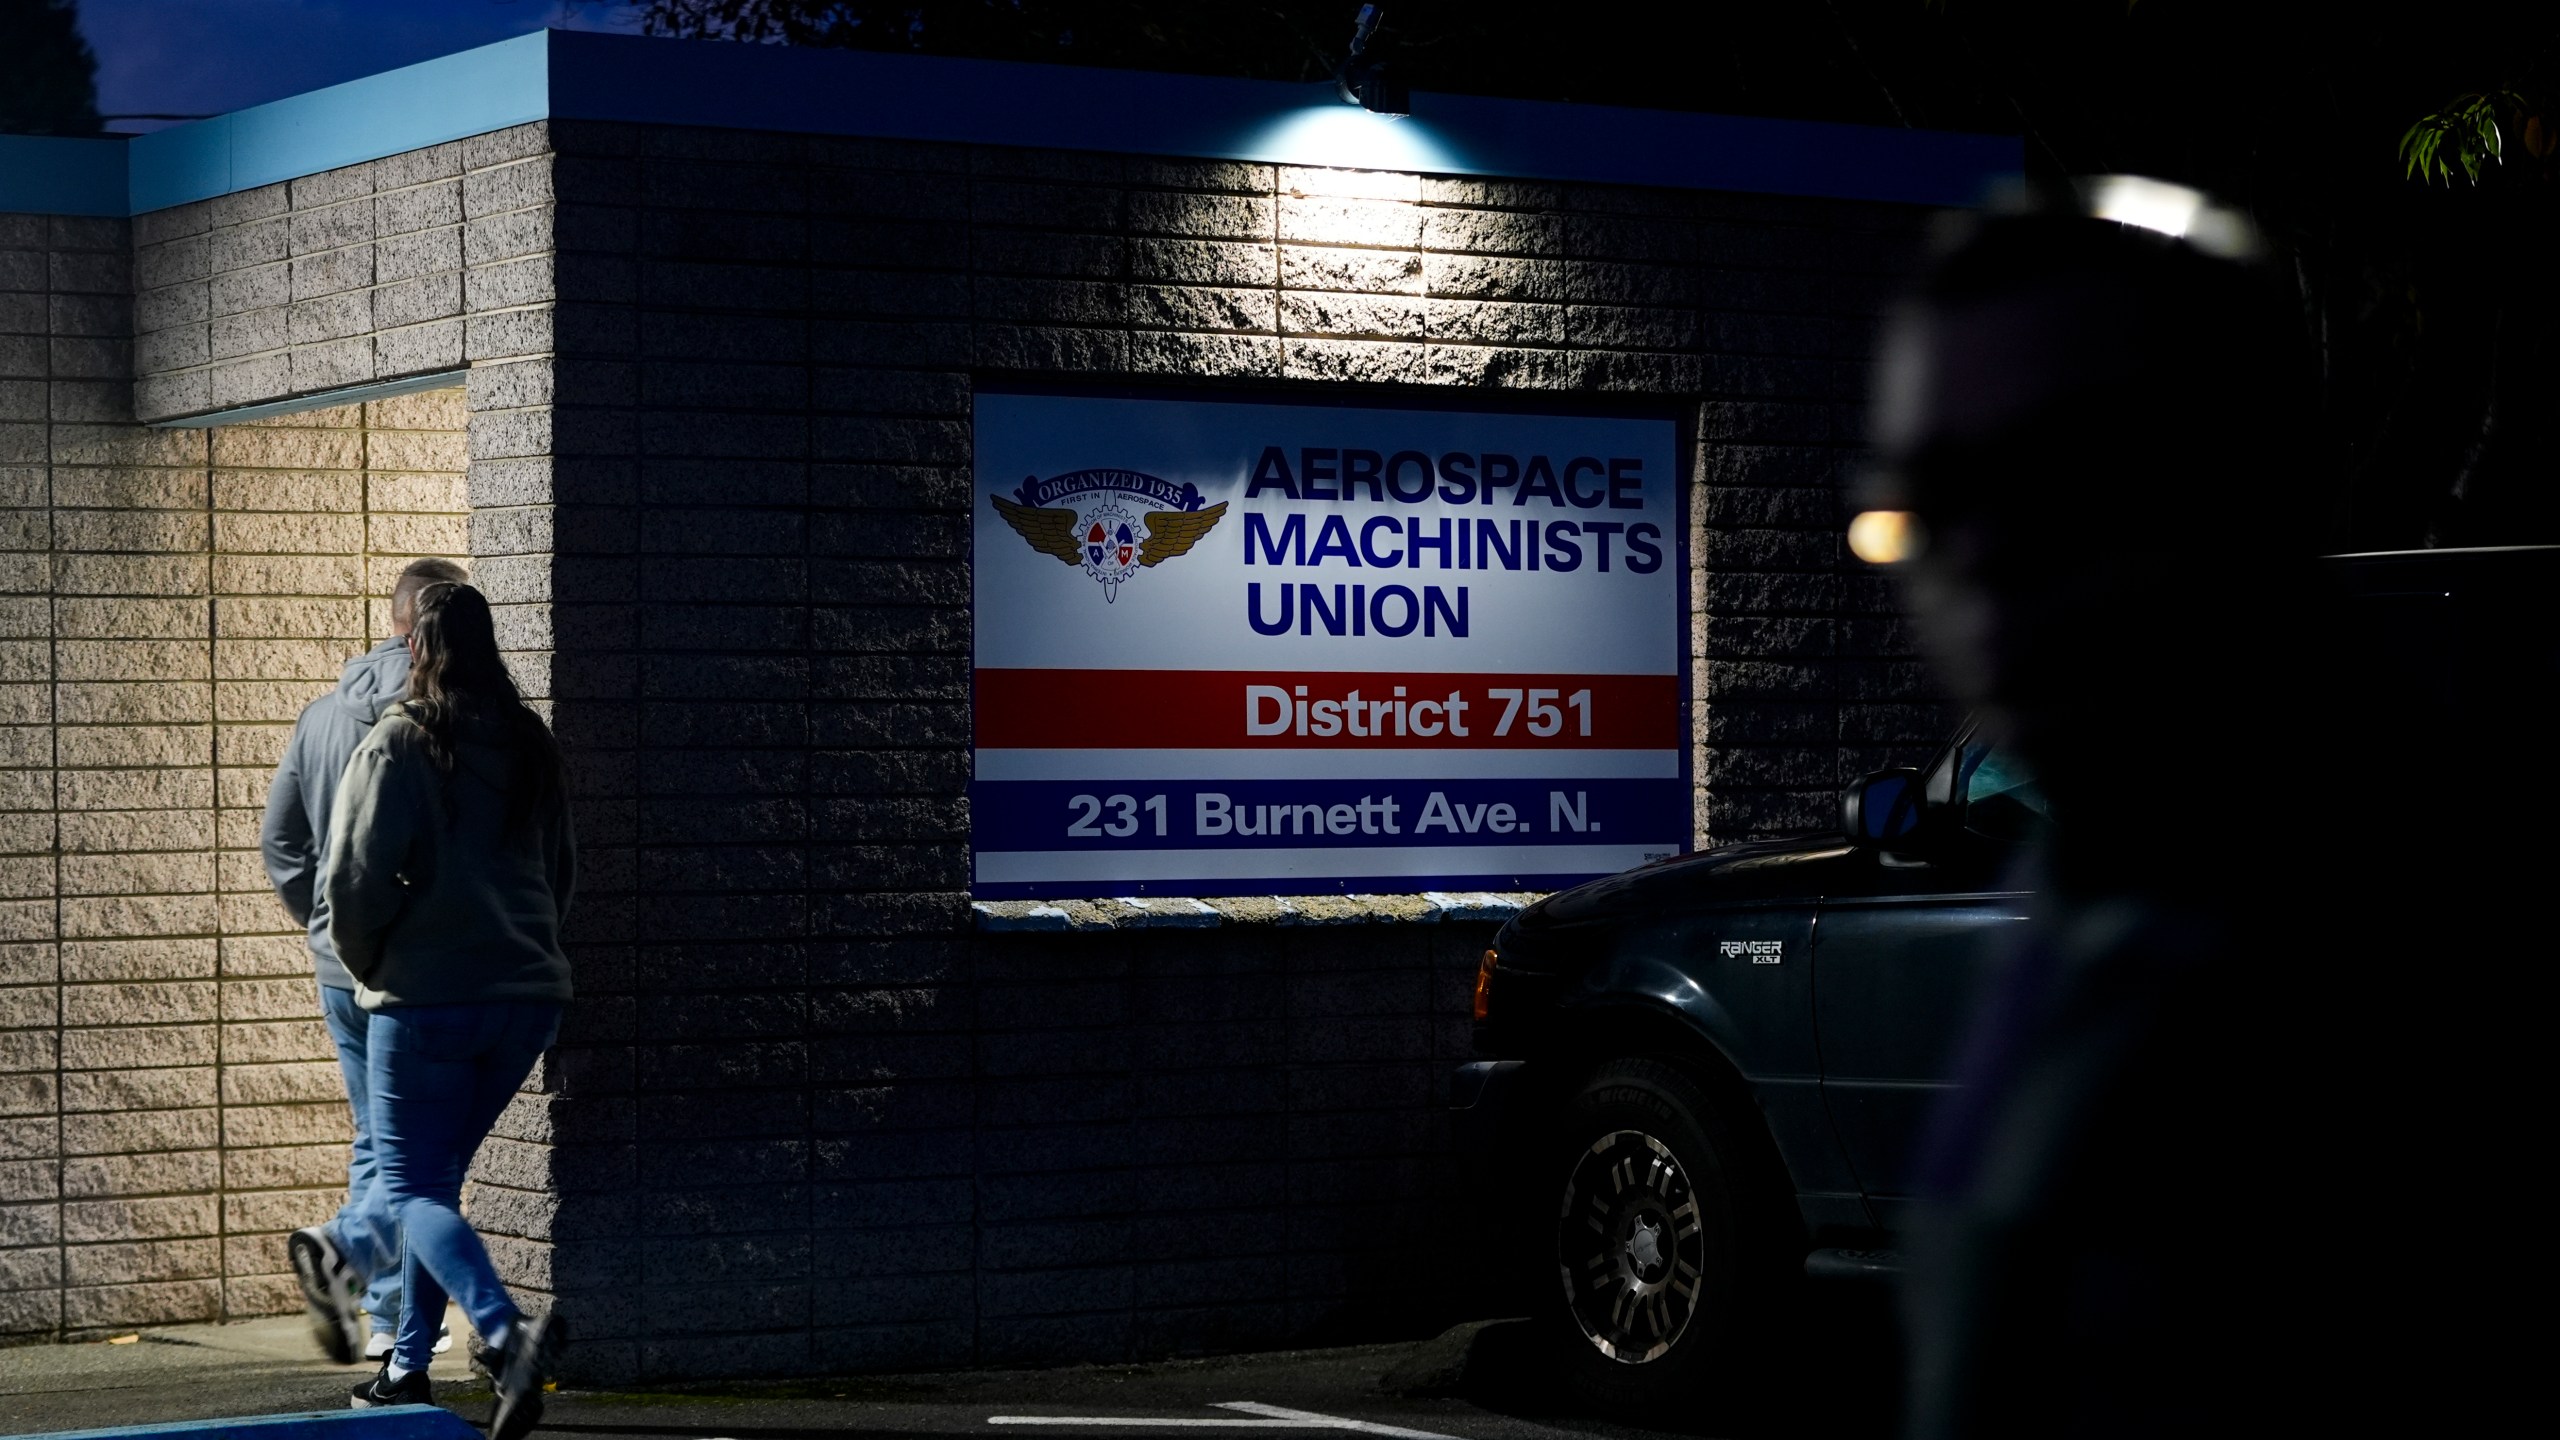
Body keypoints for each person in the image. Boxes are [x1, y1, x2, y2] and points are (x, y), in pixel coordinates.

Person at [1865, 179, 2488, 1436]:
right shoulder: (2098, 863)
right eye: (1930, 500)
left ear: (2245, 479)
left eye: (2058, 473)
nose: (1979, 556)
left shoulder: (2387, 942)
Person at [319, 580, 575, 1440]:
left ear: (417, 649)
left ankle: (505, 1337)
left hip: (425, 998)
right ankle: (408, 1365)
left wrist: (373, 966)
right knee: (436, 1187)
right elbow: (560, 872)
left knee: (414, 1184)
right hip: (527, 996)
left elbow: (351, 882)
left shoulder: (401, 741)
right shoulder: (530, 742)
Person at [269, 557, 468, 1364]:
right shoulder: (446, 718)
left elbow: (282, 841)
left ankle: (384, 1316)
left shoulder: (320, 716)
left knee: (378, 1138)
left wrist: (325, 924)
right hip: (415, 971)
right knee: (423, 1147)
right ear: (440, 628)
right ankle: (367, 1282)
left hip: (337, 966)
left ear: (392, 620)